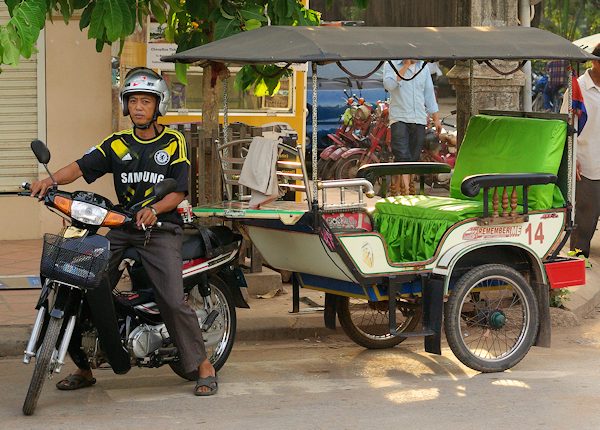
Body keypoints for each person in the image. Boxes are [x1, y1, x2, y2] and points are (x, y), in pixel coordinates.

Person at [29, 67, 218, 396]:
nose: (139, 108)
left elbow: (180, 190)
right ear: (126, 105)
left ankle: (202, 364)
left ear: (159, 105)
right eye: (133, 101)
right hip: (121, 226)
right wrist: (50, 181)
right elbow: (81, 166)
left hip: (160, 229)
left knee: (172, 300)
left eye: (146, 101)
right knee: (80, 281)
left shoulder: (172, 142)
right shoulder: (116, 143)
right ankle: (85, 366)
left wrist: (154, 209)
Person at [561, 44, 600, 263]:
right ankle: (577, 262)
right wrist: (571, 157)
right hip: (587, 167)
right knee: (584, 223)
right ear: (595, 62)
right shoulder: (578, 89)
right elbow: (564, 128)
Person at [383, 59, 442, 193]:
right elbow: (389, 85)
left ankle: (403, 190)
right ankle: (406, 193)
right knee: (402, 156)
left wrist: (436, 118)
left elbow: (429, 94)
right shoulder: (391, 65)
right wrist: (406, 66)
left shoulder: (423, 67)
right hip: (399, 118)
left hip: (419, 118)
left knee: (414, 157)